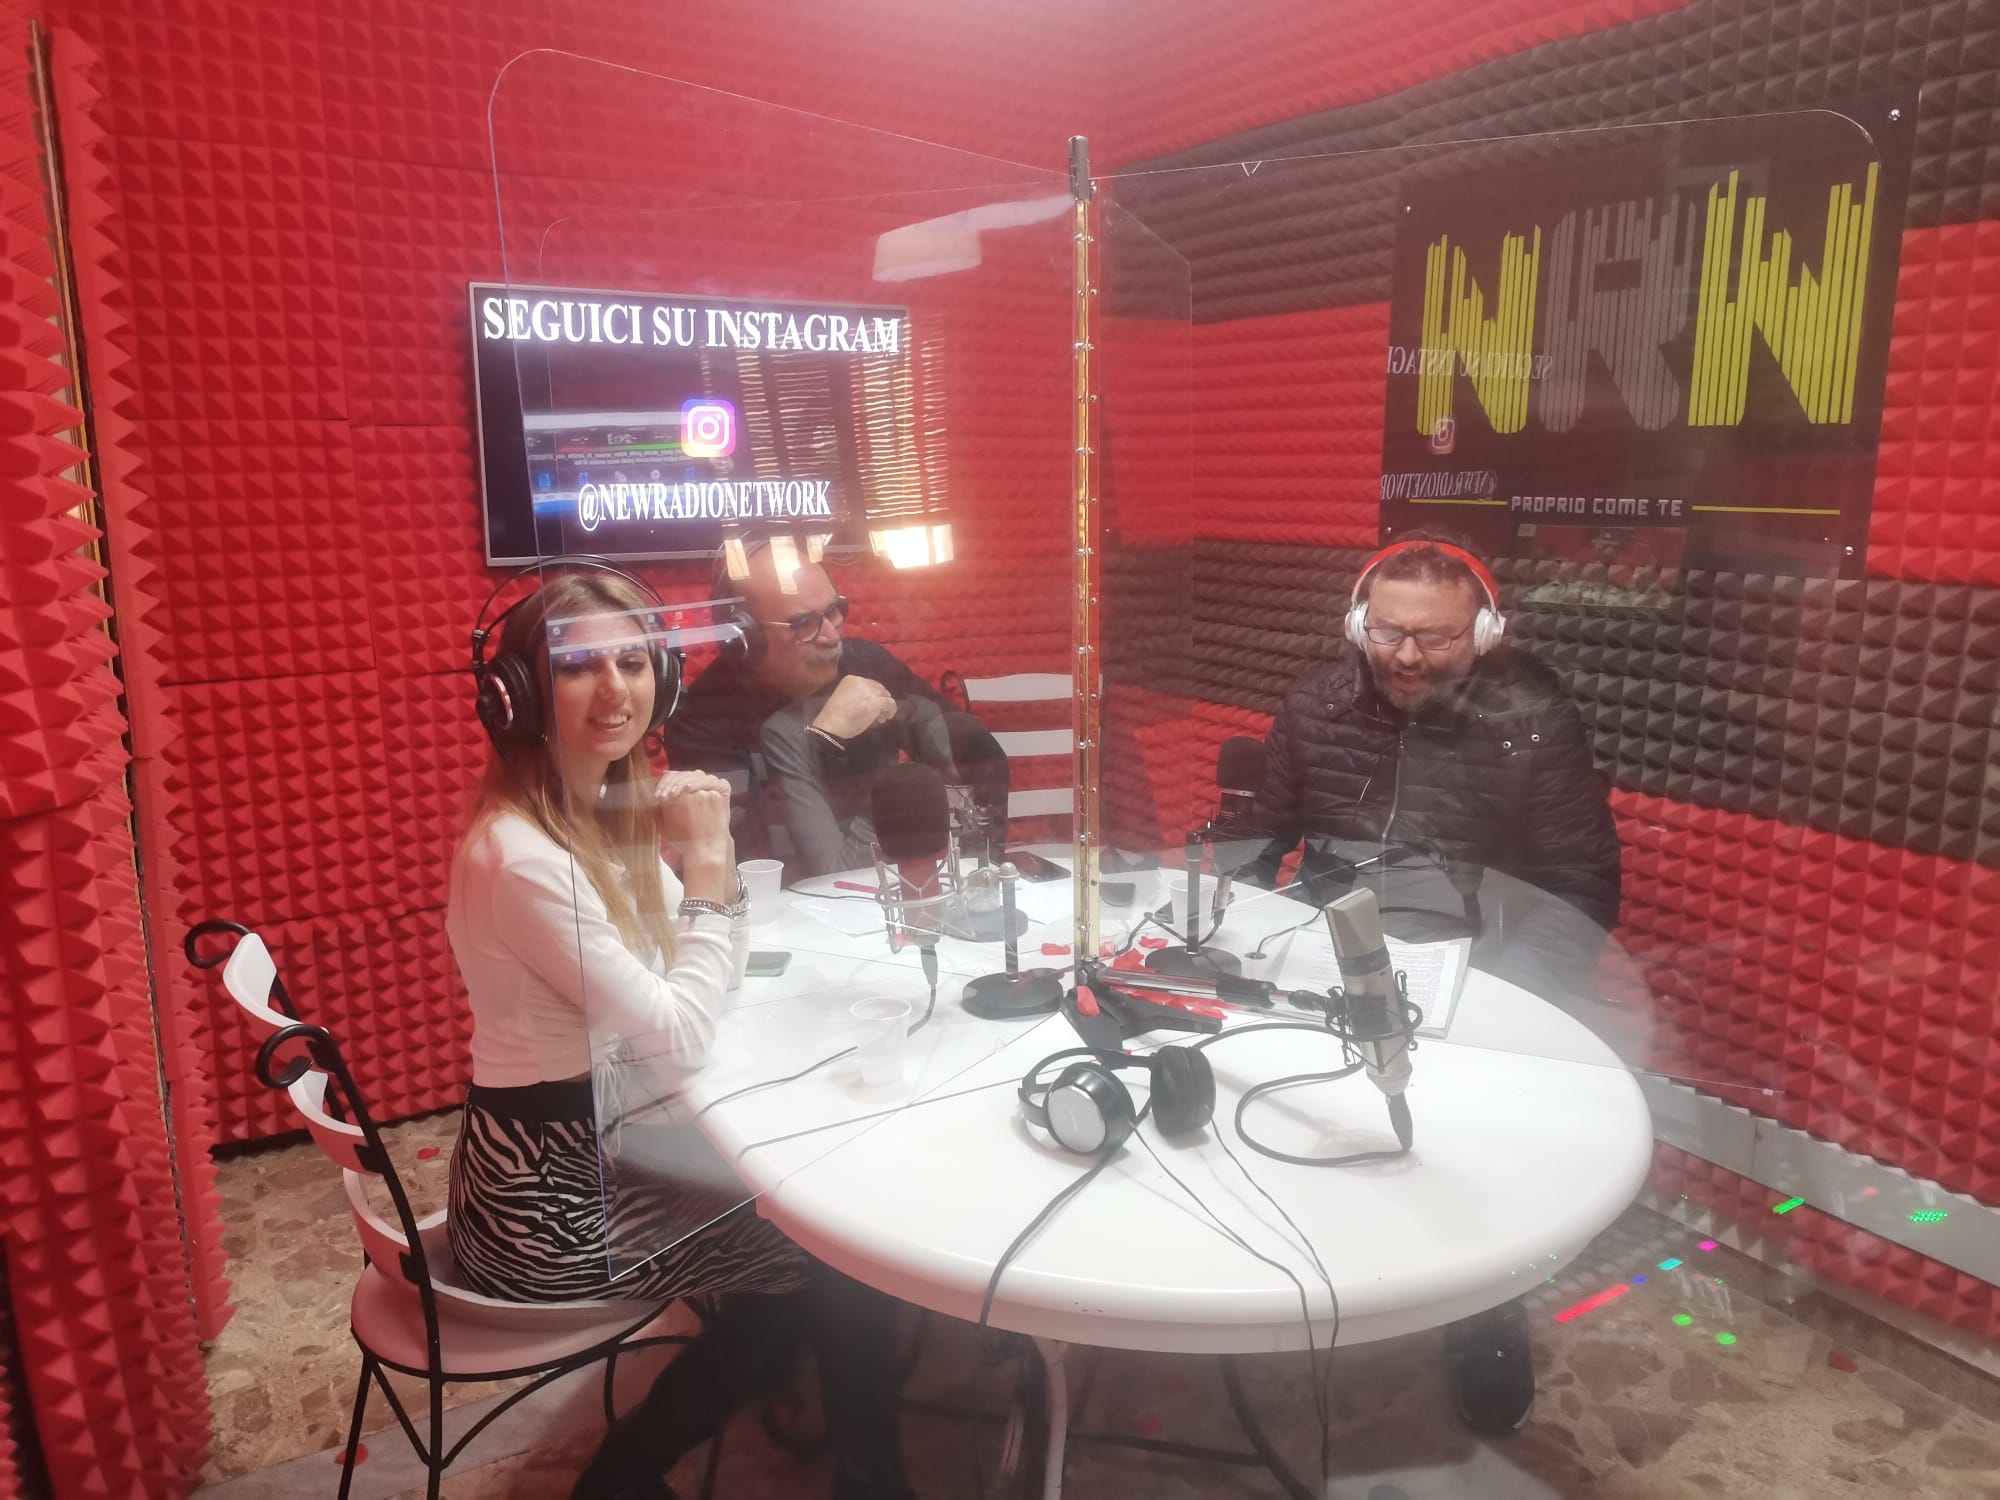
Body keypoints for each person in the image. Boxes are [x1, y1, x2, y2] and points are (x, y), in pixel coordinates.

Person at [446, 568, 912, 1500]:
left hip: (596, 1141)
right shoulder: (526, 858)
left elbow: (705, 967)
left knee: (809, 1237)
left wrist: (713, 863)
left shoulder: (591, 816)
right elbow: (684, 1029)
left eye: (633, 662)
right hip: (546, 1207)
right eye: (578, 667)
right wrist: (703, 858)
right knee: (833, 1255)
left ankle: (647, 1469)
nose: (614, 690)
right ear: (520, 694)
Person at [1244, 530, 1621, 1437]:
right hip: (1328, 952)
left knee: (1471, 1157)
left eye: (1435, 638)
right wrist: (1228, 921)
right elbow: (1259, 837)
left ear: (1484, 635)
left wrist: (1507, 1000)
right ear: (1358, 625)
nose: (1406, 657)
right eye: (1387, 632)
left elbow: (1582, 886)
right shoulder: (1315, 704)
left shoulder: (1531, 722)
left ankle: (1485, 1305)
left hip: (1475, 968)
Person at [665, 536, 957, 878]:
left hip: (893, 888)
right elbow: (752, 863)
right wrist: (818, 740)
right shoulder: (702, 718)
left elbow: (965, 759)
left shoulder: (868, 663)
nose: (832, 637)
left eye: (833, 611)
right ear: (745, 640)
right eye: (803, 624)